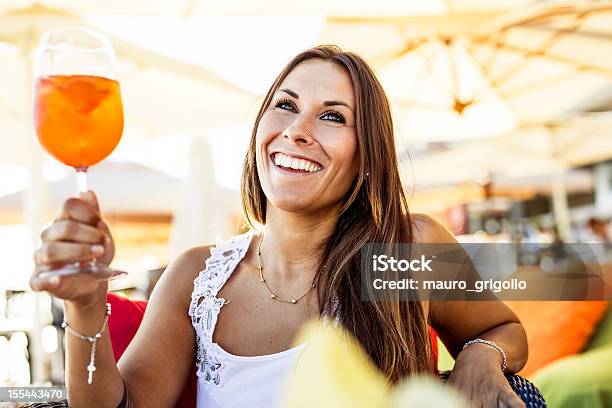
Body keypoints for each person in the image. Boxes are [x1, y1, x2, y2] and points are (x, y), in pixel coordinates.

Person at [31, 45, 527, 408]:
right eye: (285, 105)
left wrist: (480, 356)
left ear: (368, 156)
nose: (296, 131)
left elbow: (503, 328)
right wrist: (84, 306)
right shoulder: (195, 276)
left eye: (332, 116)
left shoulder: (408, 247)